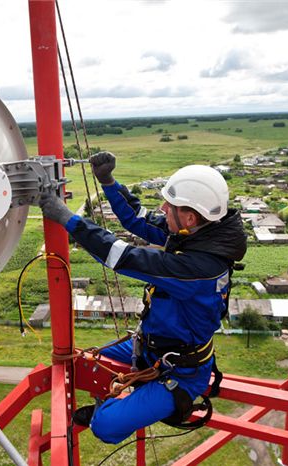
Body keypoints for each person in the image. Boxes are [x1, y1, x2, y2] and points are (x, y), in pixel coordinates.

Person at [39, 151, 247, 444]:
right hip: (152, 346)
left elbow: (122, 256)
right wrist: (108, 182)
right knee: (83, 363)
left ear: (190, 216)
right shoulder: (196, 234)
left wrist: (68, 220)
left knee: (106, 428)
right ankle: (125, 400)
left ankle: (108, 410)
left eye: (169, 206)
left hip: (182, 371)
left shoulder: (200, 268)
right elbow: (137, 220)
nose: (162, 208)